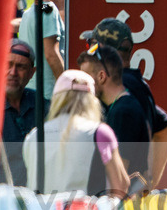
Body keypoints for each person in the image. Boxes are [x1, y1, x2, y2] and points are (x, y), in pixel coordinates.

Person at [80, 18, 167, 185]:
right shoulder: (138, 86)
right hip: (129, 198)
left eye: (92, 47)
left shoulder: (116, 92)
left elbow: (120, 161)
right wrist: (149, 181)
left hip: (111, 200)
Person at [22, 69, 130, 198]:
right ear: (92, 101)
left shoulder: (34, 136)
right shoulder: (99, 133)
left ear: (56, 99)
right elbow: (120, 186)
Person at [77, 44, 150, 178]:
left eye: (86, 77)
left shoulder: (123, 112)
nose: (82, 84)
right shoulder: (120, 106)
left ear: (101, 76)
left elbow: (118, 176)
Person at [18, 0, 65, 102]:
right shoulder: (49, 9)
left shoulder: (29, 12)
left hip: (30, 90)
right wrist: (67, 87)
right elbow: (51, 54)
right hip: (48, 93)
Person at [1, 39, 38, 186]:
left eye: (21, 67)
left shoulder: (43, 106)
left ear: (31, 73)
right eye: (8, 65)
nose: (13, 72)